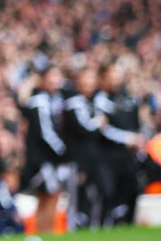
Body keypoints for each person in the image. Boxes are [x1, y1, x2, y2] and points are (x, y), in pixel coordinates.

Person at [94, 62, 144, 225]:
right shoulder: (101, 99)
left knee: (131, 189)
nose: (116, 77)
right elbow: (104, 128)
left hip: (128, 154)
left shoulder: (129, 98)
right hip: (108, 154)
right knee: (109, 192)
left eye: (118, 73)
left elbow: (136, 124)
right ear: (103, 77)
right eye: (112, 73)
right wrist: (128, 138)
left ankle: (127, 223)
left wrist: (138, 138)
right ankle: (105, 225)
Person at [21, 66, 68, 233]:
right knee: (49, 195)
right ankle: (45, 231)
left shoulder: (54, 99)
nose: (56, 81)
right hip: (42, 159)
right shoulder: (40, 101)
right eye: (52, 76)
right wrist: (64, 151)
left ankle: (44, 231)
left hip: (47, 158)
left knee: (50, 197)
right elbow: (46, 133)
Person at [64, 68, 113, 229]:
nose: (88, 84)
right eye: (84, 80)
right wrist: (98, 122)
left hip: (98, 156)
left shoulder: (99, 100)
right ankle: (79, 228)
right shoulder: (73, 103)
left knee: (106, 190)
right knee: (80, 198)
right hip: (80, 159)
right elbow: (84, 129)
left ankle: (101, 226)